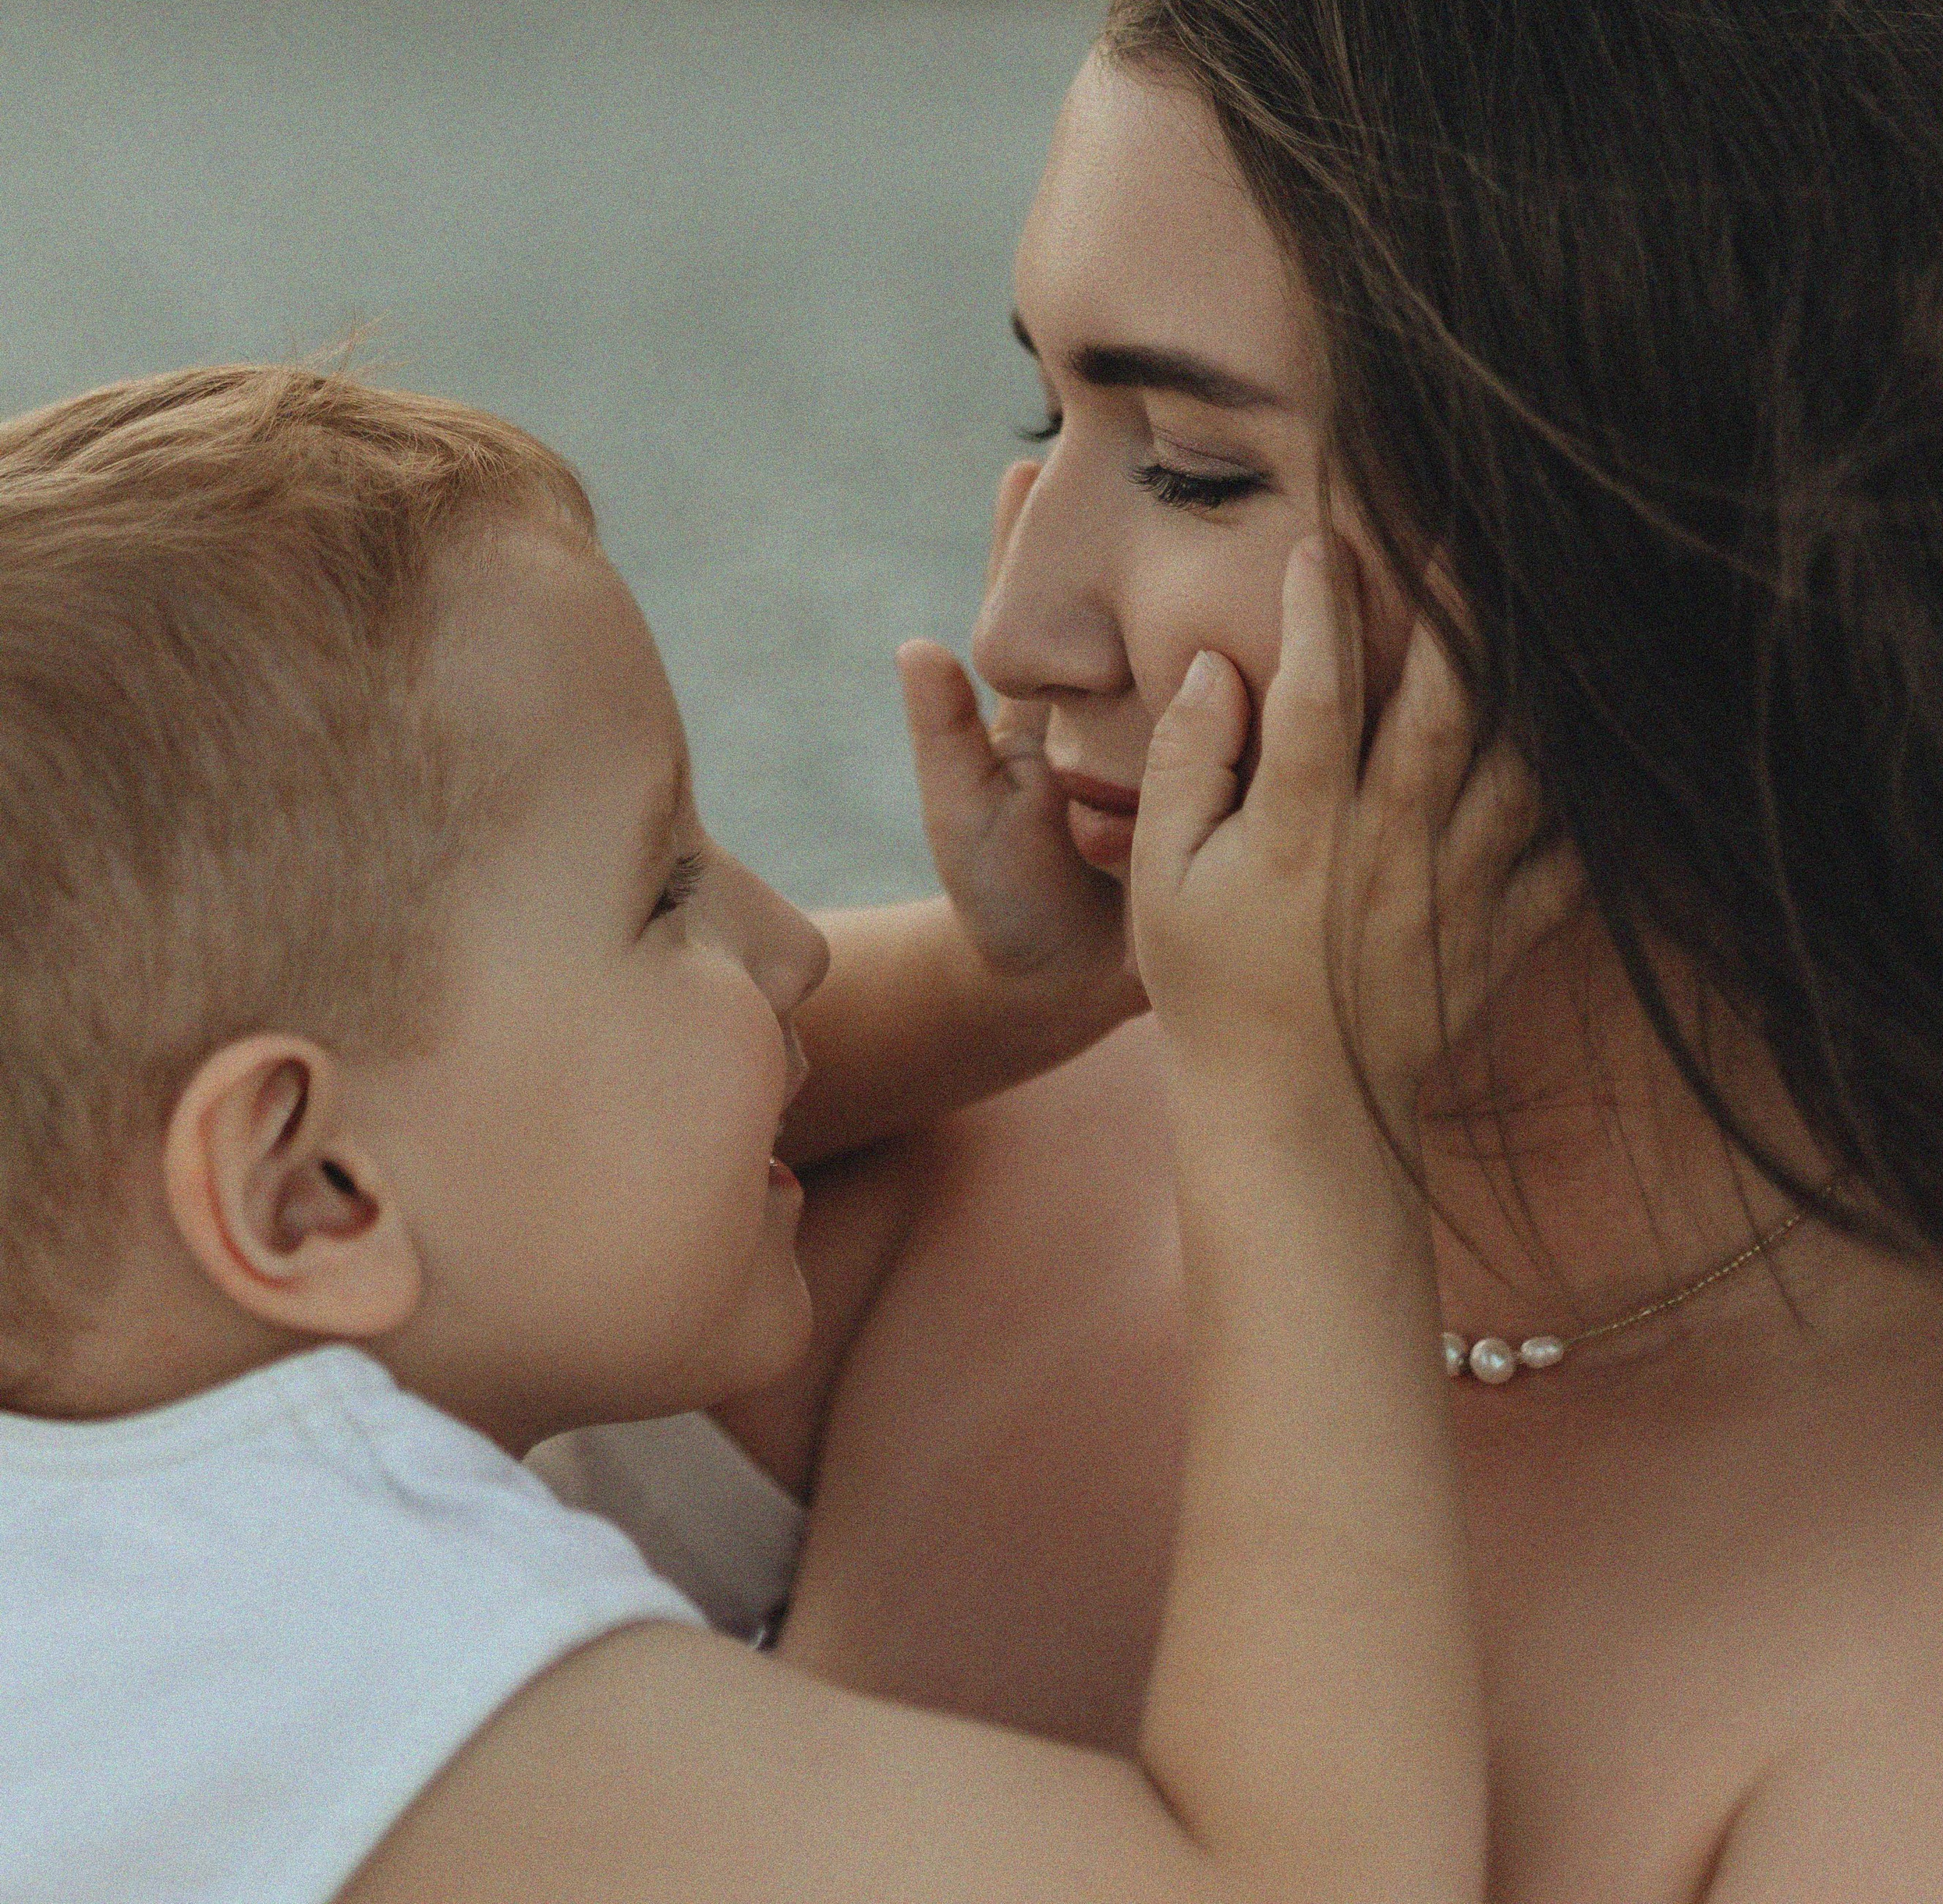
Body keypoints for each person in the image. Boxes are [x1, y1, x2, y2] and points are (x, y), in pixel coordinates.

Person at [762, 0, 1943, 1902]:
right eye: (1039, 406)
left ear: (1663, 531)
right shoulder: (922, 1185)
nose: (1027, 625)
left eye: (1198, 465)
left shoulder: (1934, 1619)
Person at [0, 360, 1560, 1904]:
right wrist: (1303, 1107)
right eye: (663, 891)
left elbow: (568, 1134)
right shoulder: (351, 1666)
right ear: (310, 1190)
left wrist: (998, 991)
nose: (792, 946)